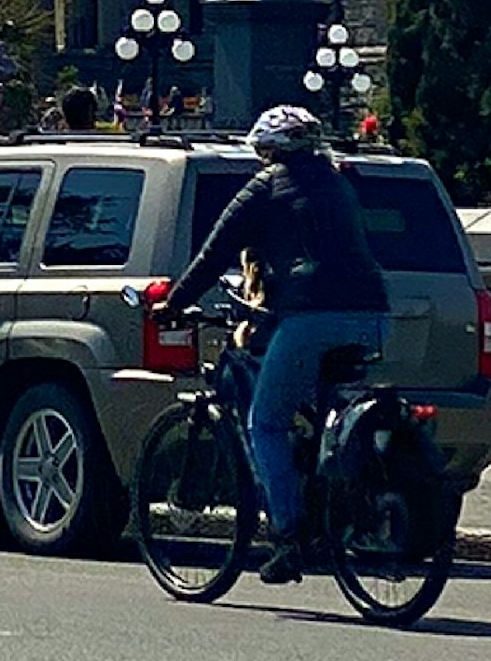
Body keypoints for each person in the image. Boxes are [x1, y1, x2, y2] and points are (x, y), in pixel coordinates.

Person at [165, 101, 389, 580]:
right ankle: (329, 495)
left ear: (269, 150)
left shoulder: (265, 187)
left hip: (312, 316)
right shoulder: (339, 182)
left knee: (265, 422)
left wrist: (174, 303)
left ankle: (288, 537)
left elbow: (214, 252)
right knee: (313, 408)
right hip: (374, 313)